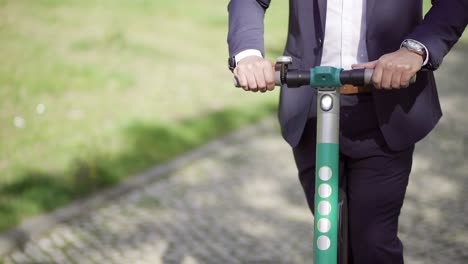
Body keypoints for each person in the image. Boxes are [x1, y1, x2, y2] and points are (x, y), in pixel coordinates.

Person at [227, 0, 467, 263]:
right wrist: (248, 54)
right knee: (329, 234)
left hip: (385, 109)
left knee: (373, 244)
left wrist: (415, 50)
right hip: (310, 105)